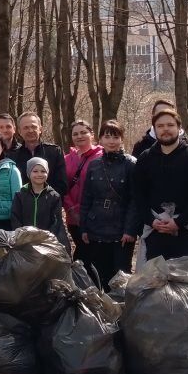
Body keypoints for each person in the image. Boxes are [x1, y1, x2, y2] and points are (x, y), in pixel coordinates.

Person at [129, 107, 188, 261]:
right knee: (156, 283)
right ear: (154, 130)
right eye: (160, 126)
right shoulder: (145, 158)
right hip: (155, 231)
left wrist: (178, 222)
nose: (165, 129)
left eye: (170, 125)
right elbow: (138, 195)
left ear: (179, 128)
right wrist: (151, 220)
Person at [77, 120, 137, 290]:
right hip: (96, 227)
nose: (111, 141)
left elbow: (135, 200)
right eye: (107, 136)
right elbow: (87, 197)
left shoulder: (131, 164)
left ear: (122, 139)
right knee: (98, 275)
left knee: (120, 277)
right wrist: (84, 228)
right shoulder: (94, 165)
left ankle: (120, 313)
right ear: (101, 139)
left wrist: (130, 230)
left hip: (121, 230)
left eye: (115, 136)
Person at [11, 157, 70, 248]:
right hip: (24, 242)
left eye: (43, 171)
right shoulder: (20, 195)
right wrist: (22, 236)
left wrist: (45, 238)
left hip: (46, 243)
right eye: (35, 171)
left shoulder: (54, 196)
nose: (39, 174)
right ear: (28, 173)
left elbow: (56, 221)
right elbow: (15, 218)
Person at [7, 112, 69, 198]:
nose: (30, 130)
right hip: (23, 206)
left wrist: (46, 200)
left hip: (50, 204)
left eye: (33, 127)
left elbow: (62, 185)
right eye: (26, 128)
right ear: (19, 131)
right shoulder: (12, 156)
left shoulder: (54, 152)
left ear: (40, 129)